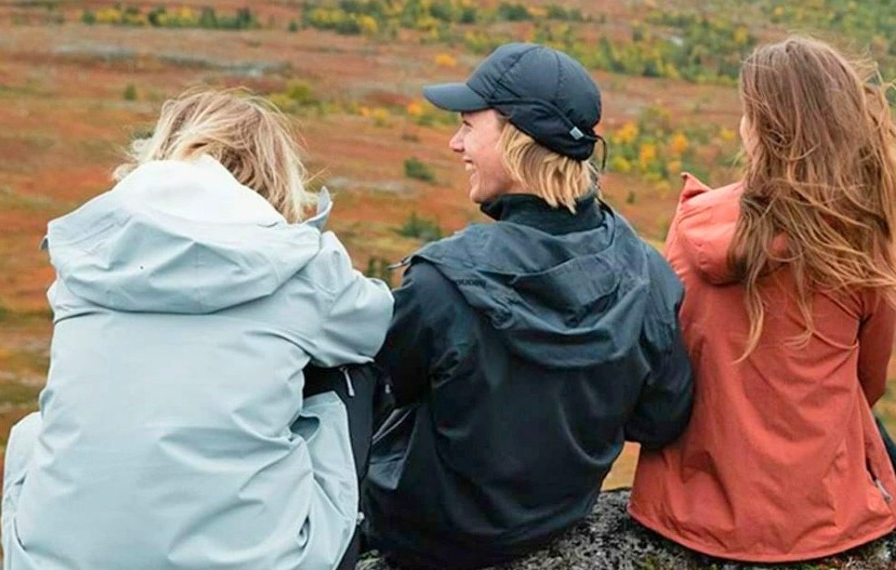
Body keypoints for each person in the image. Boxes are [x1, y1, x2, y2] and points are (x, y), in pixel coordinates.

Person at [0, 89, 393, 570]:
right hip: (253, 561)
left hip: (50, 559)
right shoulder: (302, 264)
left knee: (35, 429)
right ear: (273, 173)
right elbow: (378, 324)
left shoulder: (85, 256)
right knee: (348, 371)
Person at [362, 42, 694, 570]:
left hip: (423, 535)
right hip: (557, 523)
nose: (455, 143)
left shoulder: (441, 282)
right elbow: (661, 420)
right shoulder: (648, 274)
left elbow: (382, 391)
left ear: (516, 138)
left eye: (468, 126)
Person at [629, 36, 896, 563]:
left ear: (759, 130)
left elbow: (671, 367)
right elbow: (868, 382)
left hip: (693, 510)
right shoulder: (863, 239)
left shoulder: (695, 224)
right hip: (823, 516)